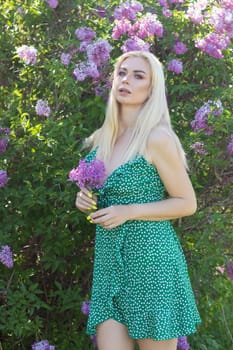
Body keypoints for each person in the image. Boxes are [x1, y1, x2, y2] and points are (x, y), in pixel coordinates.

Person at [75, 50, 201, 350]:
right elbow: (104, 197)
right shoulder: (102, 139)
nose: (126, 80)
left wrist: (130, 211)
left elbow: (186, 203)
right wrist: (84, 199)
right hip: (110, 265)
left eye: (138, 76)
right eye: (121, 72)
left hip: (152, 264)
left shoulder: (157, 138)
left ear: (152, 89)